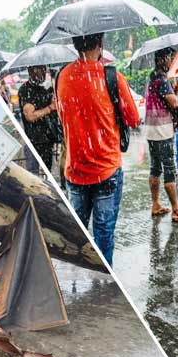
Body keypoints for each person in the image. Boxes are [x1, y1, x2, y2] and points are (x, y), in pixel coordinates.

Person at [56, 32, 139, 266]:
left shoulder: (62, 76)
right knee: (103, 233)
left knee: (78, 234)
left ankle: (83, 276)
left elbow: (63, 116)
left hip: (75, 170)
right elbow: (132, 119)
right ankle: (104, 283)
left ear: (74, 44)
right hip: (106, 169)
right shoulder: (110, 75)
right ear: (100, 44)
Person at [143, 48, 178, 224]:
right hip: (162, 130)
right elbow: (175, 102)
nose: (171, 61)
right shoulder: (161, 80)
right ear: (162, 59)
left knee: (155, 168)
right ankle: (177, 210)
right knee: (169, 169)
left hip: (151, 129)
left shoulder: (151, 77)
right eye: (170, 57)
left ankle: (155, 204)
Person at [19, 65, 61, 173]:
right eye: (38, 69)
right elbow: (30, 116)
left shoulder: (44, 89)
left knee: (47, 173)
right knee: (34, 175)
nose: (42, 72)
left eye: (44, 69)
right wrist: (50, 107)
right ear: (30, 71)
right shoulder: (26, 90)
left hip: (47, 141)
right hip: (34, 140)